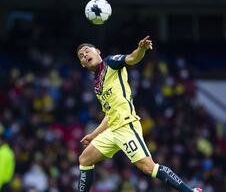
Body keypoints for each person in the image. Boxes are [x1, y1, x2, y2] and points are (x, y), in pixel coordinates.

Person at [76, 36, 202, 192]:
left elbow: (132, 58)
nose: (85, 55)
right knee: (85, 159)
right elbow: (109, 114)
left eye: (87, 51)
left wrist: (141, 49)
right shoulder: (97, 84)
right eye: (81, 56)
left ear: (98, 51)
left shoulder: (110, 63)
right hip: (113, 130)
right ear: (82, 64)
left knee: (148, 167)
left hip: (126, 126)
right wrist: (94, 135)